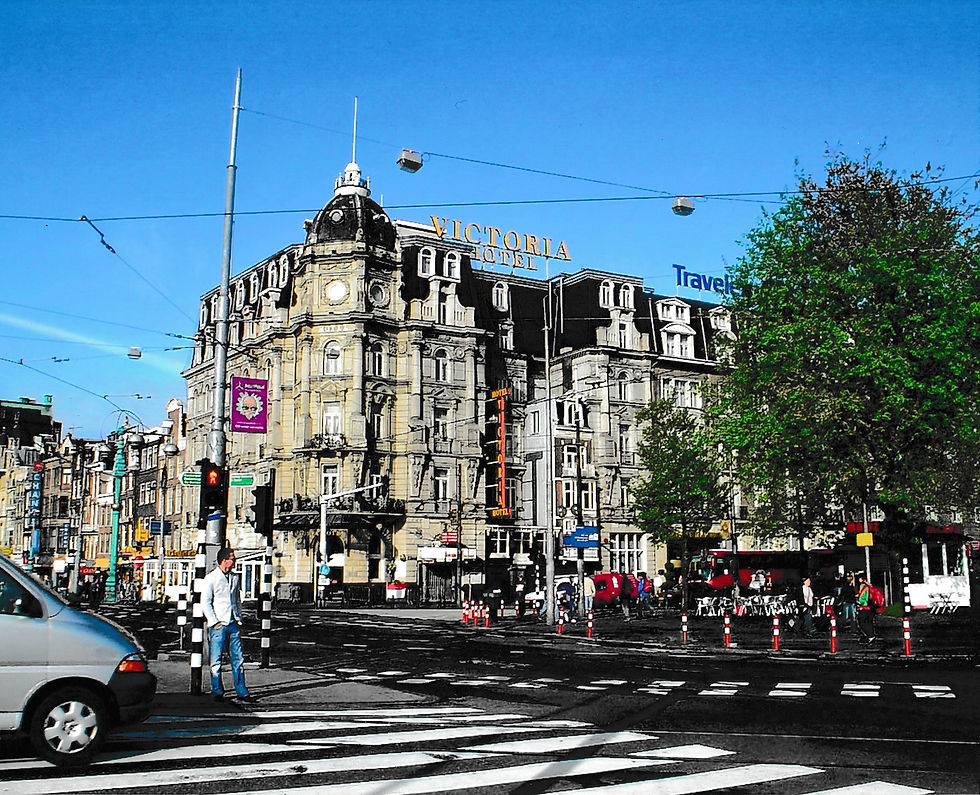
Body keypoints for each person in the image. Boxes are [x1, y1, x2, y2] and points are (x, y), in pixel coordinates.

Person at [202, 547, 251, 702]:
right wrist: (214, 621)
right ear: (224, 561)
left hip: (233, 622)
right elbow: (206, 602)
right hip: (219, 624)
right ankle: (217, 690)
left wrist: (239, 616)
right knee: (216, 659)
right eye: (232, 558)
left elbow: (236, 598)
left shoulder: (235, 577)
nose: (234, 561)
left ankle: (241, 690)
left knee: (238, 658)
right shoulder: (211, 578)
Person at [856, 572, 876, 643]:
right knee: (868, 622)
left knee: (862, 622)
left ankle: (870, 636)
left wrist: (859, 603)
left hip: (865, 607)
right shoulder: (869, 585)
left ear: (861, 579)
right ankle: (871, 636)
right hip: (872, 607)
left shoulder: (863, 586)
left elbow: (862, 598)